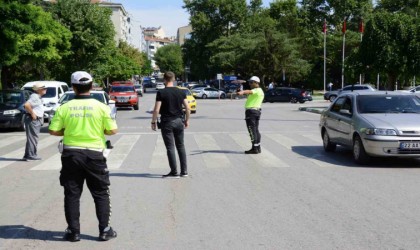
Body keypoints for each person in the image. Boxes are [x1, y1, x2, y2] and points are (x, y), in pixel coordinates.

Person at [49, 71, 118, 242]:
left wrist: (69, 130)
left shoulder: (64, 107)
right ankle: (104, 230)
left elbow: (53, 130)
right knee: (100, 193)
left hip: (71, 154)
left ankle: (74, 232)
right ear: (92, 86)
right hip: (95, 154)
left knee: (72, 194)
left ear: (73, 87)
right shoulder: (101, 107)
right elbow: (112, 130)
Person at [151, 71, 190, 178]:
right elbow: (187, 108)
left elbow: (156, 109)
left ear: (164, 80)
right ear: (173, 79)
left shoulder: (161, 92)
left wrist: (153, 121)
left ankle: (174, 172)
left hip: (167, 122)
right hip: (179, 121)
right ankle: (184, 172)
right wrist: (187, 120)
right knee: (181, 146)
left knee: (170, 147)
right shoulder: (181, 92)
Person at [237, 76, 265, 154]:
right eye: (249, 82)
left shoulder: (257, 90)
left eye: (251, 82)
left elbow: (248, 91)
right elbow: (248, 94)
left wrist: (242, 92)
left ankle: (255, 149)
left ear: (257, 83)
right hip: (255, 112)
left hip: (251, 112)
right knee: (255, 130)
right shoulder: (256, 91)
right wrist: (241, 92)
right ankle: (257, 147)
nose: (250, 84)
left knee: (252, 130)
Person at [23, 82, 47, 161]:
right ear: (39, 90)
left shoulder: (37, 96)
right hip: (33, 119)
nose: (45, 89)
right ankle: (31, 155)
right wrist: (33, 114)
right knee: (33, 138)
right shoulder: (35, 96)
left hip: (34, 119)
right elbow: (26, 105)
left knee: (32, 138)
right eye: (43, 88)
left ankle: (28, 155)